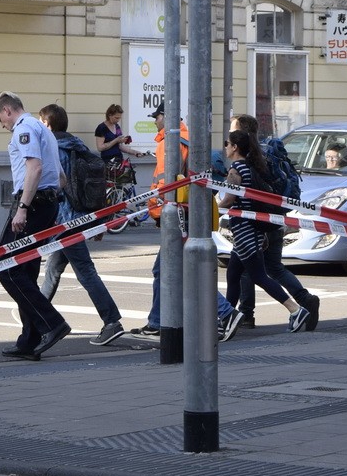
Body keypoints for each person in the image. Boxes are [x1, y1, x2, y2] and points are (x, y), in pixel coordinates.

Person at [134, 102, 243, 342]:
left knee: (179, 269)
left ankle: (225, 313)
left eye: (157, 117)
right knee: (165, 268)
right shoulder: (188, 139)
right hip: (190, 211)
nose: (155, 121)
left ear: (166, 117)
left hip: (175, 214)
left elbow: (165, 184)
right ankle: (157, 321)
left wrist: (156, 209)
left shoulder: (169, 144)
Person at [37, 104, 126, 346]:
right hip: (79, 218)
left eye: (39, 122)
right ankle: (36, 323)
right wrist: (97, 220)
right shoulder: (77, 146)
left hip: (64, 221)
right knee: (53, 272)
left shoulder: (52, 148)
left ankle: (112, 322)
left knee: (85, 272)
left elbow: (56, 186)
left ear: (47, 125)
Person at [0, 91, 71, 361]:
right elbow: (60, 176)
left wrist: (23, 208)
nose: (2, 125)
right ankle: (29, 339)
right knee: (25, 268)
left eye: (0, 119)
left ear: (7, 110)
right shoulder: (43, 129)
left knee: (6, 267)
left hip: (32, 203)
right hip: (46, 203)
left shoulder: (24, 128)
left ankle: (51, 323)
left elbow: (34, 168)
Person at [228, 114, 320, 331]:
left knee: (256, 272)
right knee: (260, 269)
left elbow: (236, 195)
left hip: (253, 224)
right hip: (270, 219)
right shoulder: (263, 154)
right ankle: (230, 316)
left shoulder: (244, 162)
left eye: (233, 132)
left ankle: (288, 309)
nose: (228, 138)